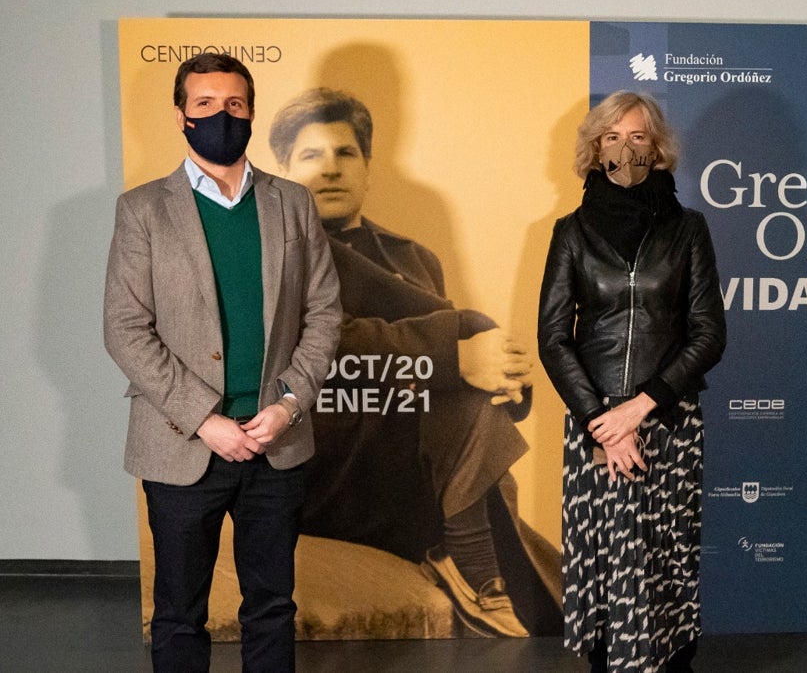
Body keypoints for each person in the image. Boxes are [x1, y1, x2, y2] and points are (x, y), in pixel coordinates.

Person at [267, 87, 560, 637]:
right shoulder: (276, 250)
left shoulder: (412, 257)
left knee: (467, 379)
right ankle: (473, 567)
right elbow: (324, 352)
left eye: (345, 153)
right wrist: (459, 351)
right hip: (326, 457)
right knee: (456, 359)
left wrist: (502, 371)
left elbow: (436, 363)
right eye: (311, 156)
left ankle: (471, 565)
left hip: (410, 462)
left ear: (369, 166)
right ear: (284, 170)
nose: (330, 169)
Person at [103, 53, 341, 672]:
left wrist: (288, 405)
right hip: (181, 444)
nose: (221, 115)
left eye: (234, 104)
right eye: (205, 104)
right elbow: (125, 329)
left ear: (252, 112)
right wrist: (205, 418)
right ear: (182, 115)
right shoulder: (142, 210)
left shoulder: (292, 202)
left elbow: (324, 315)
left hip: (275, 442)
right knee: (179, 612)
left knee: (271, 606)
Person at [538, 91, 727, 672]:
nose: (626, 149)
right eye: (613, 138)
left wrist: (639, 408)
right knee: (605, 572)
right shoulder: (571, 232)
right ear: (596, 149)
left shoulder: (688, 229)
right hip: (595, 426)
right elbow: (552, 338)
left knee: (665, 566)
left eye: (638, 136)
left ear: (659, 148)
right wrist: (605, 423)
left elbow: (708, 334)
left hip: (668, 423)